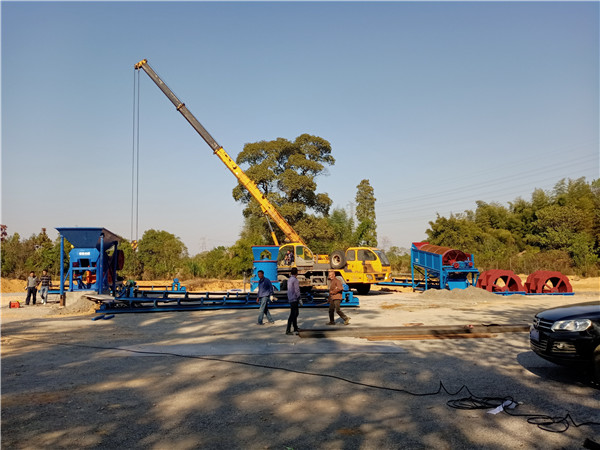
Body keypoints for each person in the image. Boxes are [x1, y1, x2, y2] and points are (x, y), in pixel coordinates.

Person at [286, 267, 301, 335]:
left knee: (295, 313)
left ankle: (295, 327)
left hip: (290, 298)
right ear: (296, 273)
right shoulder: (295, 280)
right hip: (294, 298)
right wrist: (299, 298)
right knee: (293, 314)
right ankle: (288, 330)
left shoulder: (289, 279)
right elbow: (297, 290)